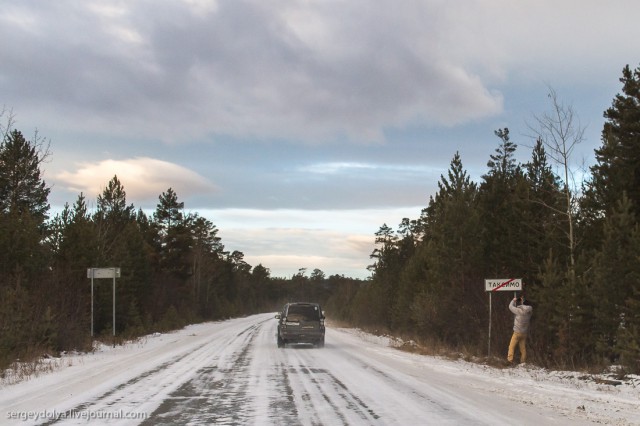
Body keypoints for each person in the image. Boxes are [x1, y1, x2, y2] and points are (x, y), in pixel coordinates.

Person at [507, 296, 533, 364]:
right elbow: (527, 307)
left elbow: (510, 307)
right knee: (523, 348)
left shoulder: (519, 310)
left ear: (522, 304)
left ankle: (510, 360)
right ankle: (523, 361)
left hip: (517, 332)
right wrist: (522, 301)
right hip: (524, 333)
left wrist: (513, 300)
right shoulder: (529, 313)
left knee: (511, 346)